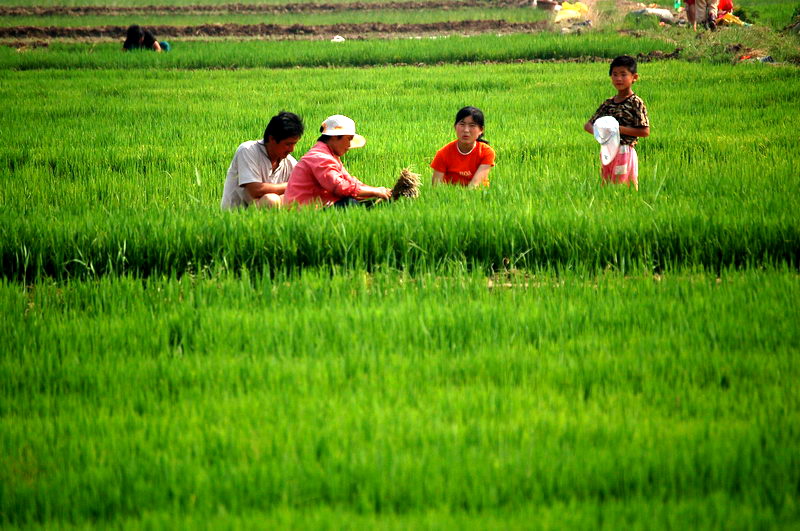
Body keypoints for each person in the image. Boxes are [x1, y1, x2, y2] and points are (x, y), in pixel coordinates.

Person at [283, 115, 392, 207]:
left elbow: (350, 182)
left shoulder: (330, 156)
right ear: (335, 137)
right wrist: (374, 192)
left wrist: (378, 191)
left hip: (321, 207)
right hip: (305, 212)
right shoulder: (319, 158)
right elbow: (339, 186)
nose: (349, 145)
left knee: (375, 204)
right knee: (350, 203)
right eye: (348, 139)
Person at [583, 55, 650, 190]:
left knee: (623, 188)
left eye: (623, 74)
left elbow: (644, 131)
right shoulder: (608, 103)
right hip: (607, 151)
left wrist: (616, 129)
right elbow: (588, 125)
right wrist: (601, 132)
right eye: (615, 74)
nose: (619, 78)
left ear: (634, 77)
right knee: (606, 186)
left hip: (624, 151)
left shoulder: (635, 102)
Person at [220, 111, 305, 210]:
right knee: (271, 200)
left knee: (302, 201)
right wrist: (291, 185)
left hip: (267, 214)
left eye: (294, 144)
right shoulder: (247, 151)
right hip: (237, 216)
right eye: (288, 144)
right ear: (272, 139)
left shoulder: (289, 162)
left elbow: (303, 187)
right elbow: (255, 190)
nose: (292, 149)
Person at [430, 106, 496, 188]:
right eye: (462, 124)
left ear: (481, 130)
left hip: (479, 196)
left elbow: (475, 185)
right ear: (455, 127)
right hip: (449, 197)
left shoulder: (486, 152)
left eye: (472, 125)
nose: (466, 130)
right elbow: (436, 186)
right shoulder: (443, 153)